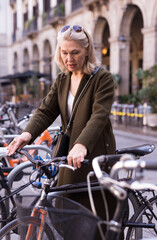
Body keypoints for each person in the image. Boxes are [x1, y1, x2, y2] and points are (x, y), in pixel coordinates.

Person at [8, 24, 117, 239]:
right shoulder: (62, 79)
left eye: (75, 52)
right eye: (64, 52)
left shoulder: (102, 79)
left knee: (95, 215)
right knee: (67, 211)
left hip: (92, 153)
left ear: (87, 50)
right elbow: (46, 110)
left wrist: (81, 144)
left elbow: (99, 115)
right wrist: (26, 134)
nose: (69, 58)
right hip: (69, 154)